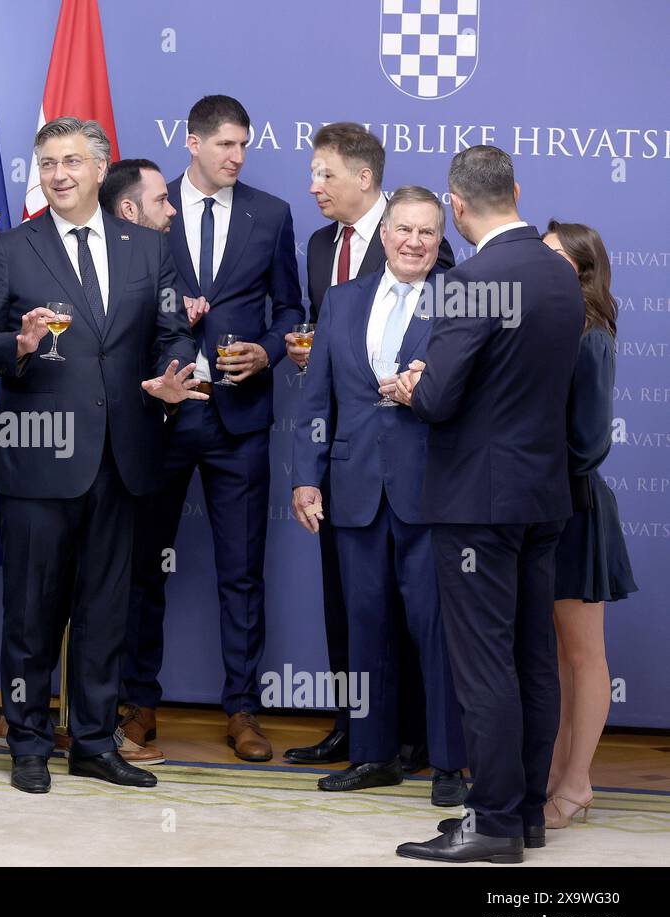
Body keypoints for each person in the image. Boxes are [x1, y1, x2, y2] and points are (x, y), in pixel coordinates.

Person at [0, 116, 202, 796]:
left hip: (123, 459)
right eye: (47, 162)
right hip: (36, 463)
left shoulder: (148, 250)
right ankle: (29, 741)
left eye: (71, 160)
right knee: (32, 615)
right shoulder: (11, 250)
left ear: (100, 169)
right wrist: (18, 347)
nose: (58, 172)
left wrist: (171, 373)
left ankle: (94, 742)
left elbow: (174, 333)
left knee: (105, 612)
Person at [392, 146, 585, 864]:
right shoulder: (561, 275)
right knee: (532, 658)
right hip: (542, 496)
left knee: (483, 665)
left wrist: (415, 384)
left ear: (458, 207)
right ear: (516, 191)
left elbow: (440, 400)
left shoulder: (474, 279)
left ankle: (494, 822)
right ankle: (524, 813)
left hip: (478, 502)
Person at [122, 95, 303, 763]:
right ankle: (137, 702)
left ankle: (243, 711)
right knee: (144, 568)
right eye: (225, 144)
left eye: (243, 146)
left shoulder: (272, 215)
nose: (237, 157)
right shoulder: (146, 206)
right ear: (192, 142)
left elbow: (291, 307)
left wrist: (269, 350)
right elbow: (120, 300)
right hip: (161, 415)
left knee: (242, 573)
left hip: (239, 419)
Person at [283, 123, 454, 768]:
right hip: (351, 493)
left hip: (430, 490)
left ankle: (445, 763)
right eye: (403, 231)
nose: (413, 242)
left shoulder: (459, 301)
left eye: (427, 232)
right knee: (364, 630)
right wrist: (306, 478)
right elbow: (315, 400)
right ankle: (371, 756)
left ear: (441, 243)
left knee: (435, 634)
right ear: (383, 236)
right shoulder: (344, 300)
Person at [541, 220, 637, 829]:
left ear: (582, 270)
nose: (542, 266)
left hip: (574, 507)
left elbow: (589, 444)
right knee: (552, 657)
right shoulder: (546, 328)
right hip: (543, 508)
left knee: (583, 654)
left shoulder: (591, 336)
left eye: (555, 258)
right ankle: (553, 775)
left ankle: (576, 785)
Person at [84, 157, 180, 767]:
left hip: (145, 447)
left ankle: (124, 714)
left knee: (135, 583)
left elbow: (167, 337)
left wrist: (179, 353)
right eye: (162, 199)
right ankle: (80, 723)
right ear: (128, 210)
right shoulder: (74, 260)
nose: (171, 210)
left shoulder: (157, 257)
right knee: (78, 592)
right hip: (70, 452)